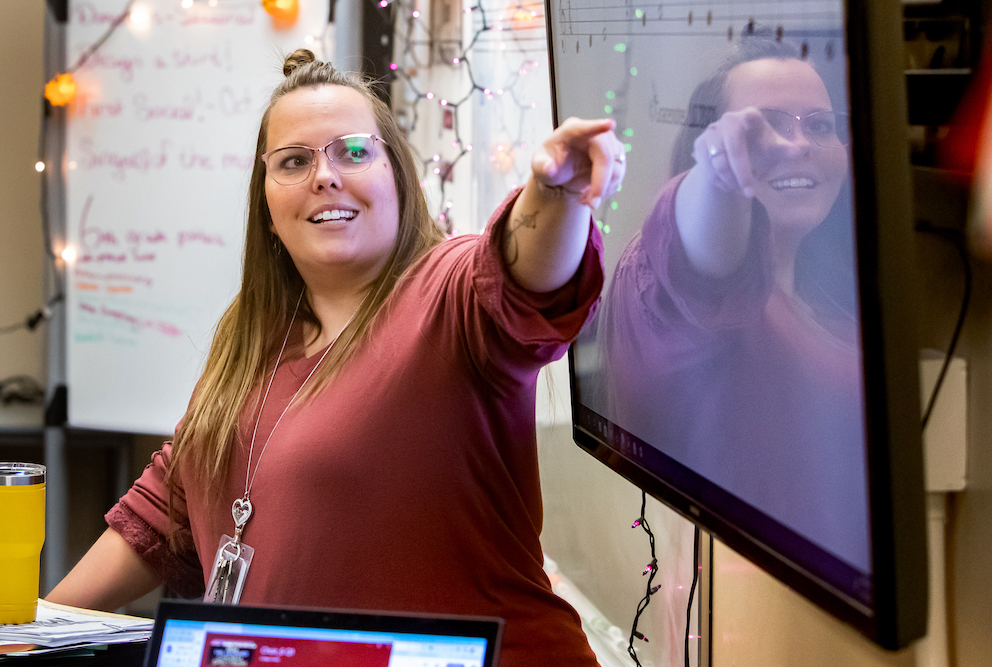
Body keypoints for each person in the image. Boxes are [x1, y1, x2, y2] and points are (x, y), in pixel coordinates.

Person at [47, 49, 625, 667]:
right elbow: (168, 507)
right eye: (294, 161)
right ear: (266, 207)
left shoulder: (450, 292)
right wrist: (24, 632)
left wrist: (554, 194)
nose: (325, 176)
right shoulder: (252, 338)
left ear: (397, 176)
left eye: (353, 152)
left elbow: (524, 274)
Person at [592, 37, 870, 571]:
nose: (796, 144)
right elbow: (699, 244)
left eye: (819, 124)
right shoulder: (673, 265)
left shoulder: (831, 295)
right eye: (762, 127)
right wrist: (720, 173)